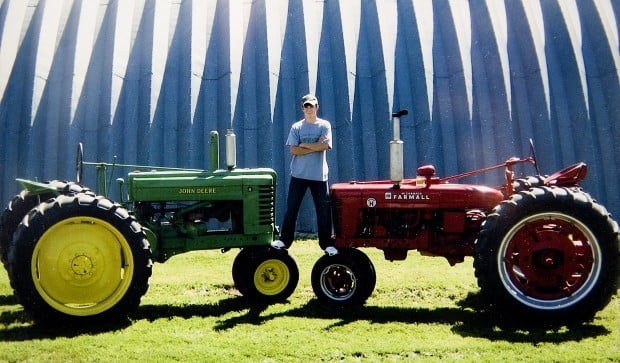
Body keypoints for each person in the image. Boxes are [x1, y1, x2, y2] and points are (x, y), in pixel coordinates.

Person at [271, 94, 338, 256]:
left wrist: (305, 144)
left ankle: (327, 244)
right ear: (302, 108)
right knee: (292, 209)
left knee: (323, 211)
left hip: (319, 176)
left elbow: (326, 146)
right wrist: (316, 145)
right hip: (299, 175)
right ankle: (284, 241)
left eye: (312, 106)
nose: (309, 109)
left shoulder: (324, 125)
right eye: (306, 106)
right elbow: (293, 150)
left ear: (317, 107)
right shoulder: (297, 127)